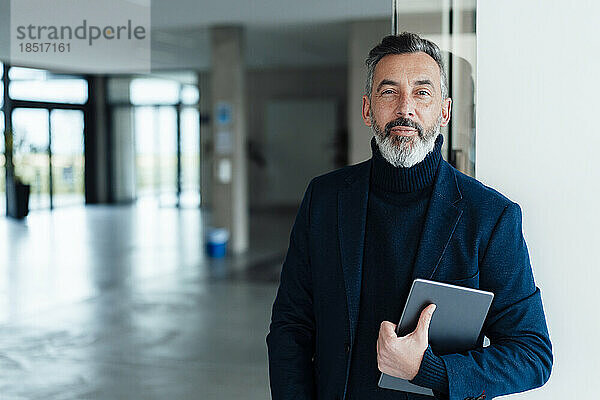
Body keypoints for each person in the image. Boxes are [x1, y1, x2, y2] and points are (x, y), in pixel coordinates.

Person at [266, 32, 552, 400]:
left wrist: (429, 370)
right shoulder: (324, 199)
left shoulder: (491, 217)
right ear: (368, 109)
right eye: (389, 92)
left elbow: (532, 354)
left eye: (422, 92)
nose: (405, 108)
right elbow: (291, 326)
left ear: (444, 111)